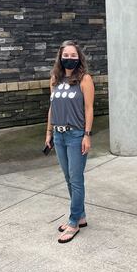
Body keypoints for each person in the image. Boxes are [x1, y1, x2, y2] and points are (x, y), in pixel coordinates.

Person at [45, 40, 95, 243]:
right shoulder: (54, 79)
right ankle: (80, 216)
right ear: (60, 56)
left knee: (76, 179)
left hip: (76, 136)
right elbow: (52, 108)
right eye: (66, 55)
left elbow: (89, 109)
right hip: (58, 134)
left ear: (79, 57)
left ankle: (73, 222)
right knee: (68, 178)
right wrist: (48, 132)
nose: (70, 58)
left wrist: (87, 135)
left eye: (73, 55)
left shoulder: (85, 79)